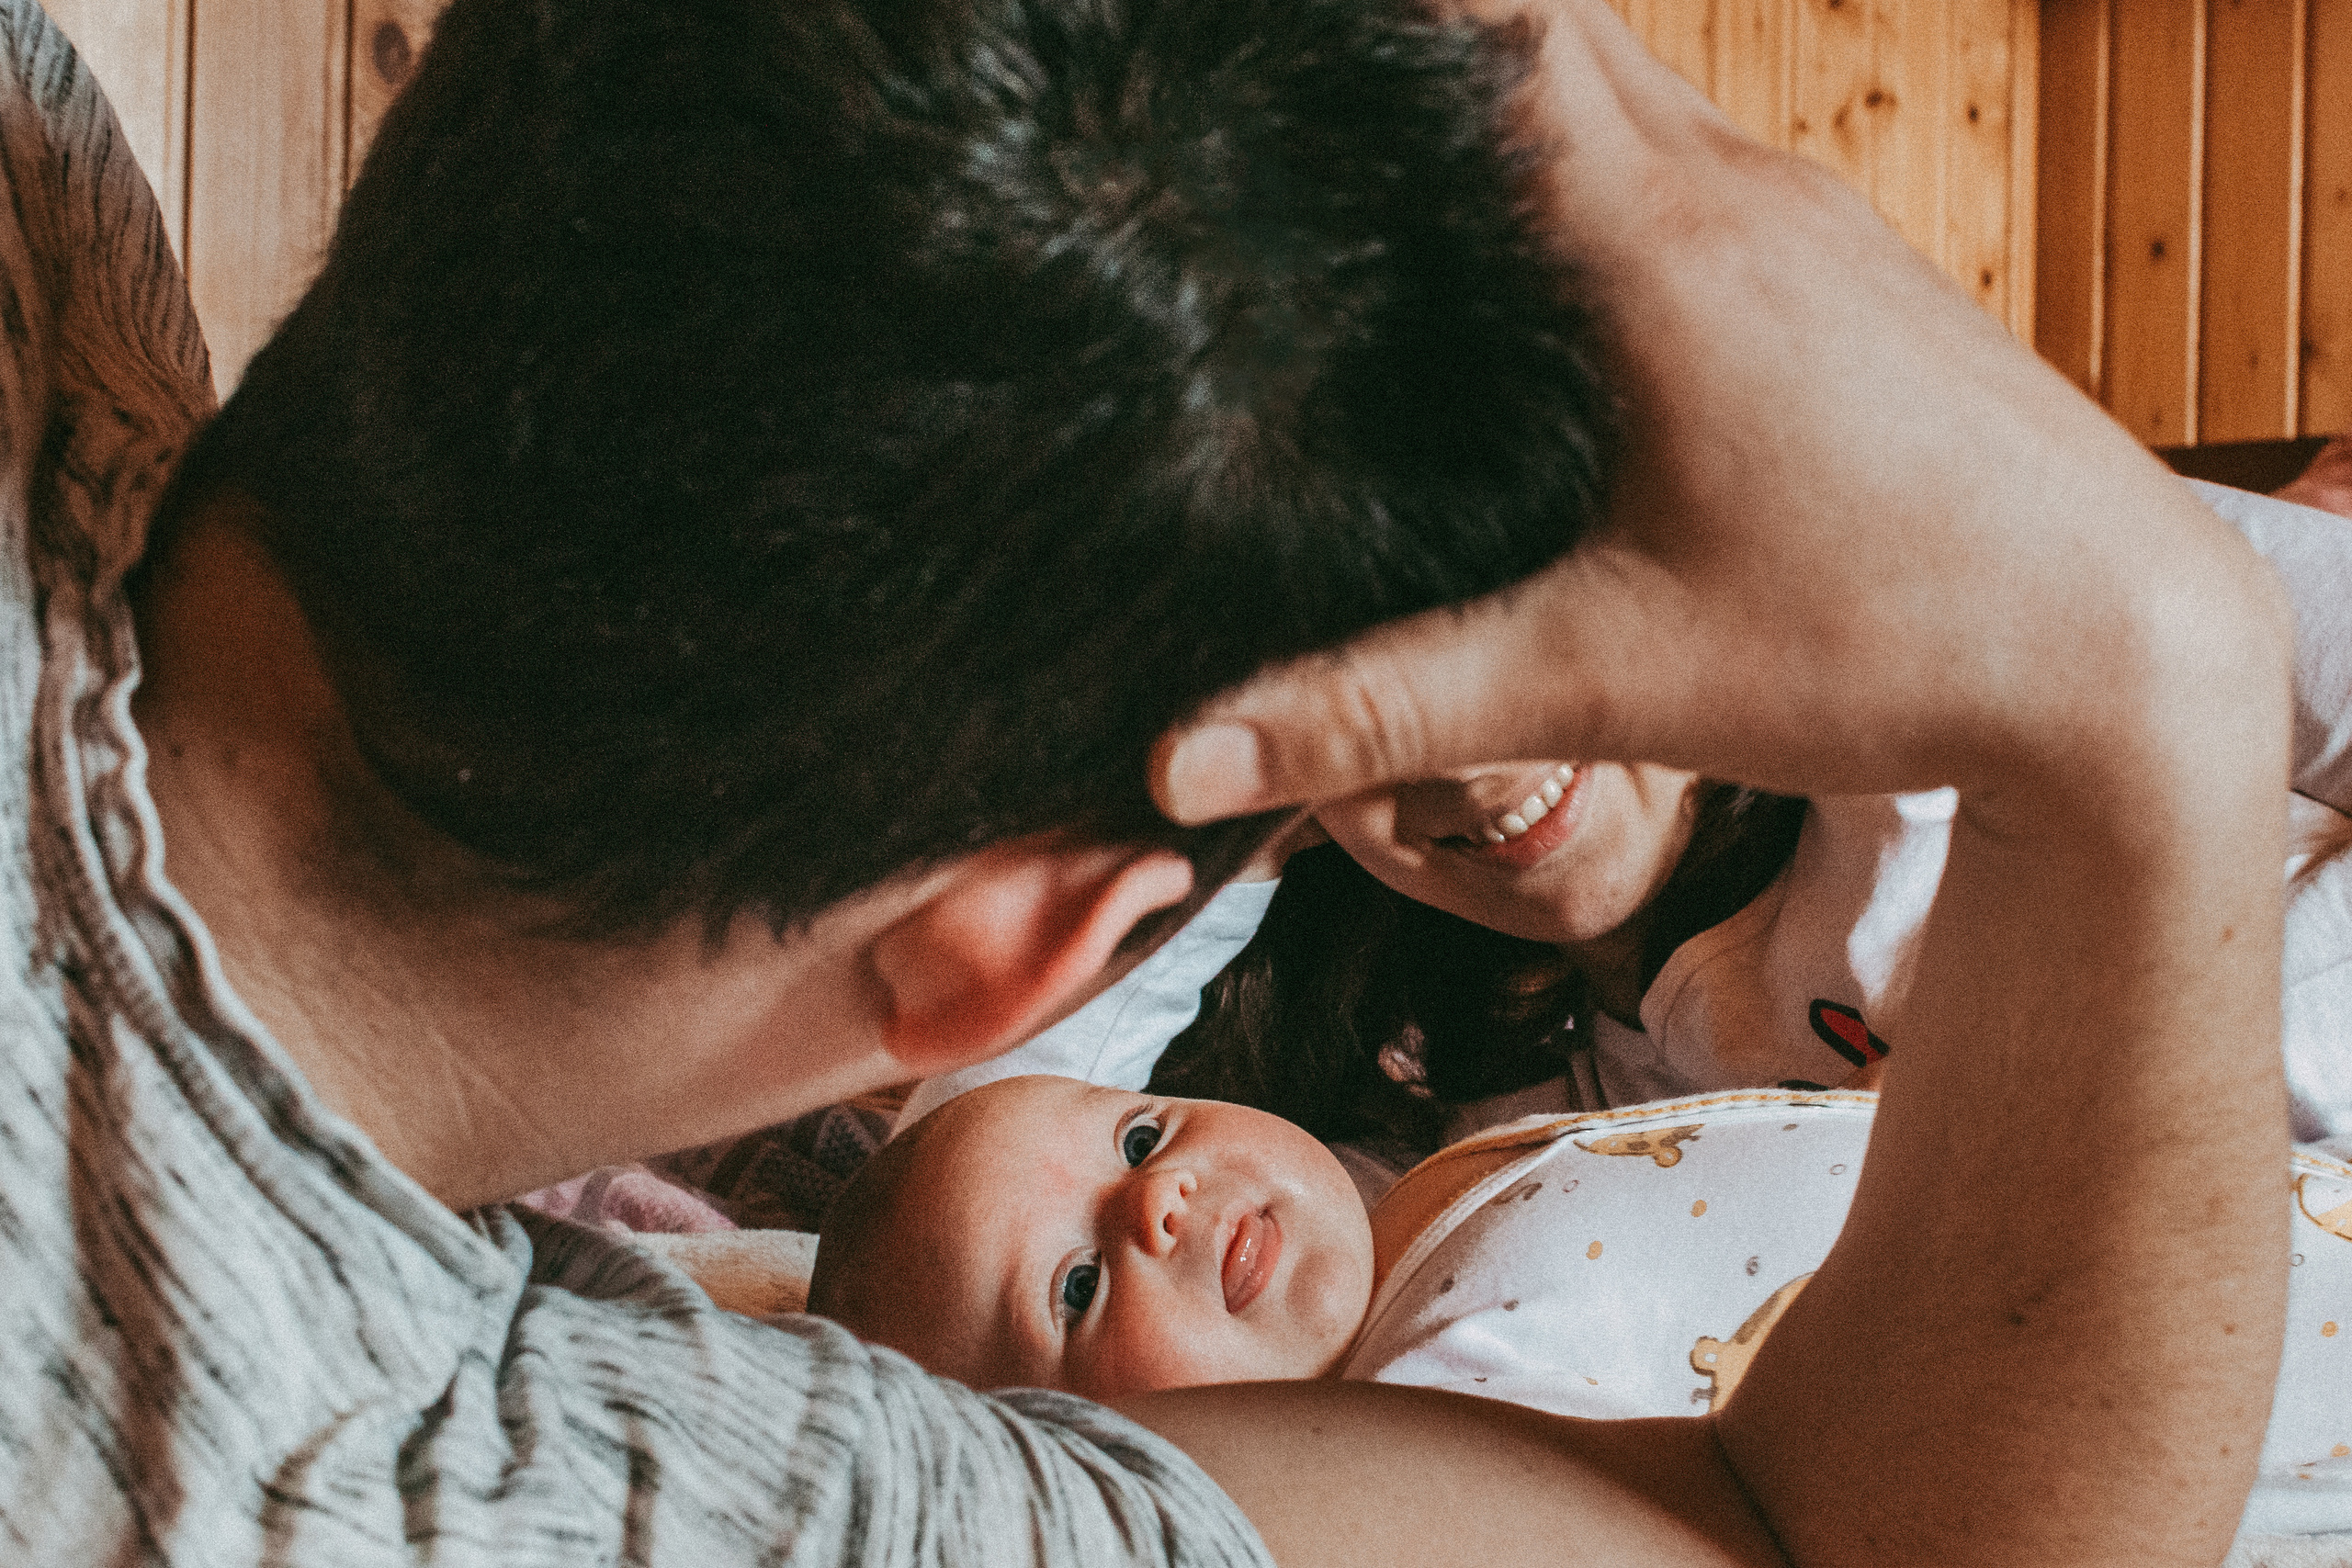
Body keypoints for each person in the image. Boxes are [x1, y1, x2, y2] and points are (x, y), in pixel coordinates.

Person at [0, 0, 2303, 1565]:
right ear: (1032, 953)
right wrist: (2151, 685)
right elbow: (1823, 1541)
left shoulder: (35, 175)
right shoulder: (503, 1498)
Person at [807, 1073, 2352, 1539]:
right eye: (1076, 1286)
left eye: (1137, 1135)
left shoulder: (1450, 1180)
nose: (1158, 1198)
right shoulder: (1448, 1451)